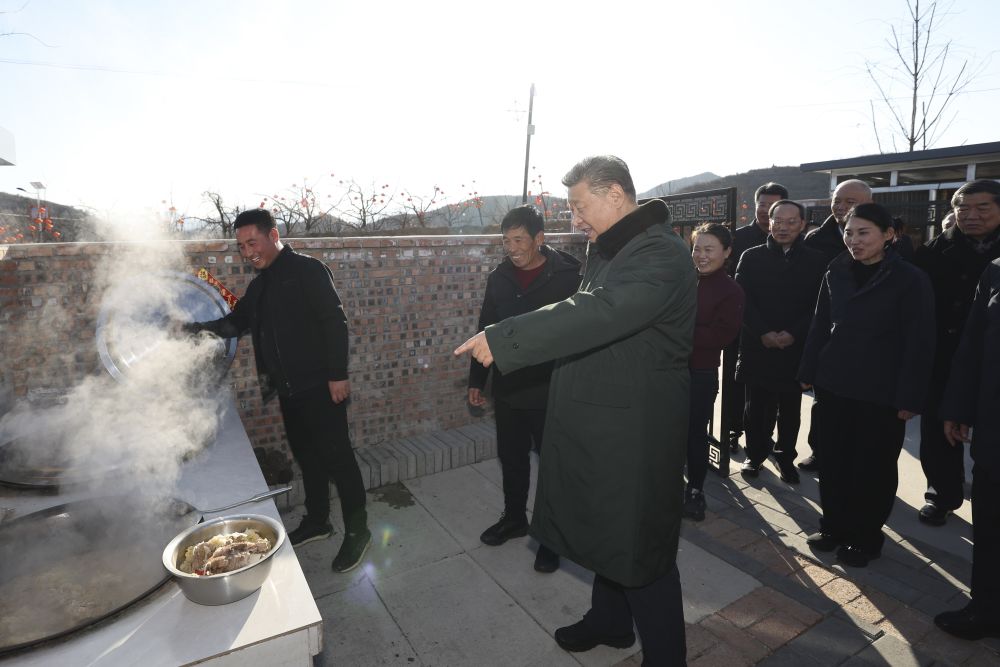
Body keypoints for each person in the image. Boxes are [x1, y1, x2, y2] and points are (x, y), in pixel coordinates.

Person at [455, 155, 696, 665]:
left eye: (581, 207)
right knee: (608, 531)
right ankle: (610, 622)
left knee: (640, 545)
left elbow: (599, 312)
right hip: (606, 418)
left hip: (637, 425)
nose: (575, 220)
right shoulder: (612, 248)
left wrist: (506, 337)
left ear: (615, 195)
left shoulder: (659, 253)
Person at [185, 209, 371, 573]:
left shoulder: (308, 270)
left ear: (274, 235)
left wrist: (337, 375)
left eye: (252, 242)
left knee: (340, 462)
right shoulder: (260, 285)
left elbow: (335, 321)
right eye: (241, 246)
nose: (247, 251)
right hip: (288, 391)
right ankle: (319, 520)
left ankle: (358, 533)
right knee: (308, 458)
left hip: (321, 387)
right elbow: (235, 323)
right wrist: (190, 329)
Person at [799, 203, 935, 568]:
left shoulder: (910, 279)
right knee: (833, 461)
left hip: (881, 391)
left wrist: (910, 396)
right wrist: (809, 368)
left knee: (871, 467)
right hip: (835, 383)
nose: (854, 241)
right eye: (848, 232)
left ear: (889, 235)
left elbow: (919, 342)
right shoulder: (837, 269)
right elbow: (819, 322)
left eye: (863, 233)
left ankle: (865, 537)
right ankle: (833, 528)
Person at [468, 205, 581, 572]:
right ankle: (515, 518)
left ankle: (552, 536)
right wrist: (476, 380)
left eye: (519, 240)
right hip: (510, 387)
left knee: (553, 464)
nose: (512, 248)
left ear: (539, 239)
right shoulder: (499, 277)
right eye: (506, 241)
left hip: (553, 388)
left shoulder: (569, 276)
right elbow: (485, 328)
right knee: (512, 458)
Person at [913, 179, 1000, 526]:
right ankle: (942, 494)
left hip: (991, 356)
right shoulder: (933, 252)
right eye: (963, 208)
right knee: (938, 431)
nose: (971, 216)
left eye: (982, 208)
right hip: (944, 357)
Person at [735, 200, 825, 485]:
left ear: (802, 224)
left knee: (790, 409)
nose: (783, 227)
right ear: (769, 222)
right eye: (778, 221)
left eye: (791, 222)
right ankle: (756, 454)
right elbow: (742, 299)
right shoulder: (750, 256)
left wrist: (794, 333)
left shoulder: (816, 260)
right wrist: (762, 332)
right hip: (756, 345)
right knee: (756, 407)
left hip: (794, 348)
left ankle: (785, 458)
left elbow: (819, 306)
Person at [935, 258, 1000, 640]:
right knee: (991, 521)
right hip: (994, 426)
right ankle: (987, 608)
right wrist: (958, 408)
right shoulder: (995, 270)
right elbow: (973, 343)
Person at [799, 179, 873, 473]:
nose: (841, 207)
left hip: (872, 342)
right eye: (837, 200)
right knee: (824, 403)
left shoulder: (892, 239)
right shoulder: (816, 239)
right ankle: (820, 451)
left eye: (850, 202)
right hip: (828, 336)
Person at [721, 182, 789, 453]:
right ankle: (732, 431)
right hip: (742, 325)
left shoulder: (791, 241)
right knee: (736, 385)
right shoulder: (737, 238)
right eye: (762, 204)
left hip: (778, 329)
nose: (765, 210)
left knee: (771, 389)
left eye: (772, 205)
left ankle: (763, 436)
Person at [684, 223, 745, 521]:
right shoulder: (680, 279)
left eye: (709, 249)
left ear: (727, 252)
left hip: (700, 373)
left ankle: (695, 491)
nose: (701, 255)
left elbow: (721, 336)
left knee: (695, 435)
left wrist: (677, 332)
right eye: (697, 248)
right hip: (664, 370)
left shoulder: (730, 290)